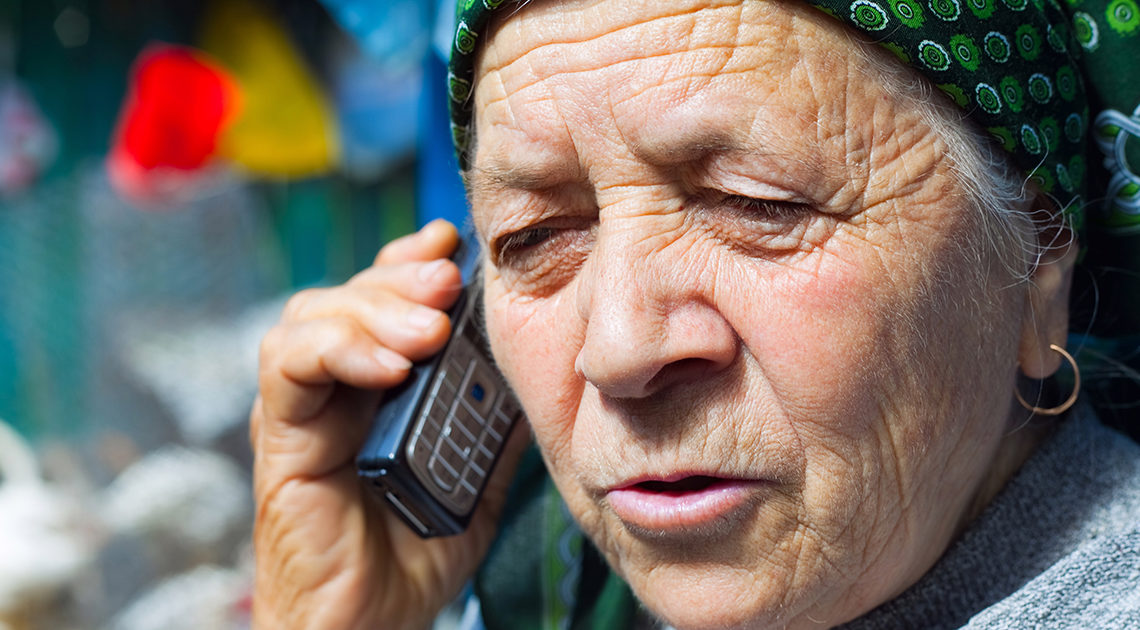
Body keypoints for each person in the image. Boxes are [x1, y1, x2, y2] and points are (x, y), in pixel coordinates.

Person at [250, 0, 1140, 628]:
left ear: (1034, 263)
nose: (620, 347)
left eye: (759, 204)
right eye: (532, 236)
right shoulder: (542, 593)